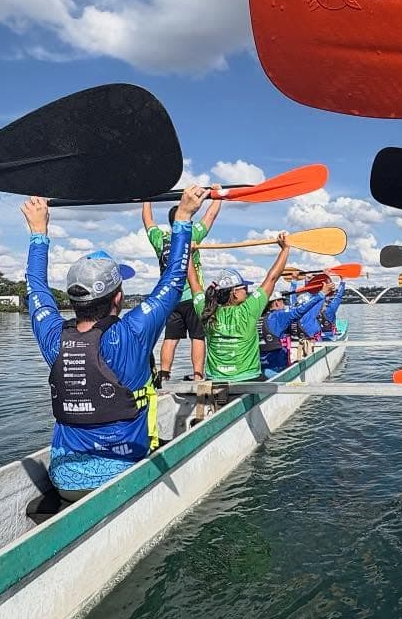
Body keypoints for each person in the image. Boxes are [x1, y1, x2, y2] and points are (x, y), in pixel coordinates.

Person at [24, 187, 208, 500]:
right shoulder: (134, 332)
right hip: (124, 474)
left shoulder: (54, 338)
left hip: (65, 482)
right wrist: (184, 218)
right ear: (119, 297)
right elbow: (174, 280)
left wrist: (38, 231)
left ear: (72, 298)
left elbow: (36, 288)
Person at [141, 192, 222, 386]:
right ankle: (197, 376)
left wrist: (146, 196)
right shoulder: (192, 234)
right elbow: (210, 216)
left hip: (170, 299)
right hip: (193, 297)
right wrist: (218, 195)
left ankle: (164, 375)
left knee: (170, 337)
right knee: (198, 336)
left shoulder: (160, 239)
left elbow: (147, 219)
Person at [188, 234, 291, 382]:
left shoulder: (206, 310)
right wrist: (285, 249)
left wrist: (189, 255)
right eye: (245, 287)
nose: (247, 291)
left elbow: (193, 282)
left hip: (215, 379)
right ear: (234, 293)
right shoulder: (248, 309)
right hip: (247, 379)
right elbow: (272, 278)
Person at [259, 288, 323, 375]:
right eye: (283, 302)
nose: (284, 305)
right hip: (277, 367)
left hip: (260, 366)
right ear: (276, 302)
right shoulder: (279, 316)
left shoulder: (258, 317)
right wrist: (321, 295)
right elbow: (298, 312)